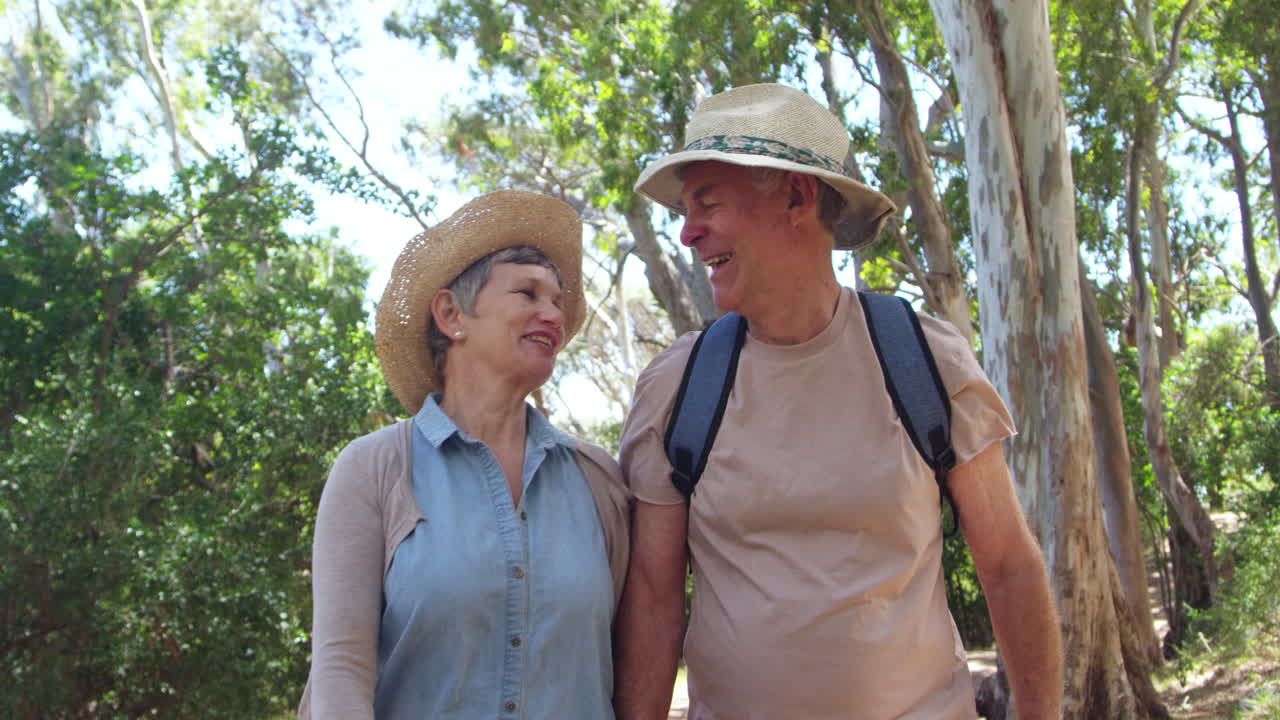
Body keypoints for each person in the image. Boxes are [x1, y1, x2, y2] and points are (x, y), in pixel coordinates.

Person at [613, 84, 1062, 720]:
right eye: (686, 211)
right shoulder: (679, 386)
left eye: (707, 203)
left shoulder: (922, 359)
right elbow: (654, 598)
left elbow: (1009, 563)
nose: (688, 233)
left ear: (797, 197)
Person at [297, 190, 630, 720]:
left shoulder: (597, 479)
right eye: (527, 292)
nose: (553, 314)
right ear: (451, 313)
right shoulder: (373, 469)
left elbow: (628, 657)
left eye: (557, 301)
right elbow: (340, 669)